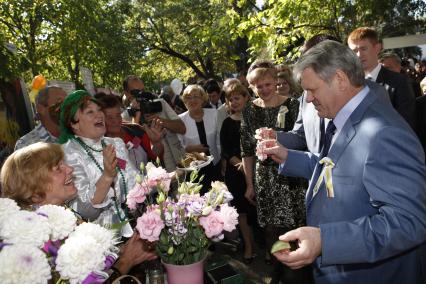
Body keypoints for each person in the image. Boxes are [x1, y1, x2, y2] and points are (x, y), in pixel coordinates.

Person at [262, 40, 426, 284]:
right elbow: (339, 168)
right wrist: (289, 157)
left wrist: (326, 241)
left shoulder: (383, 133)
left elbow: (409, 222)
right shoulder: (349, 114)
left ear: (339, 79)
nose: (307, 99)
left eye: (312, 89)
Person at [1, 142, 157, 281]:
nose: (69, 169)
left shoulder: (66, 215)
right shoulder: (38, 241)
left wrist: (126, 250)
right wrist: (126, 261)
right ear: (34, 192)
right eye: (57, 168)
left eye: (64, 164)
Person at [240, 60, 310, 283]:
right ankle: (278, 266)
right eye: (258, 86)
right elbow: (247, 150)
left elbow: (301, 142)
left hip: (290, 174)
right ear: (252, 87)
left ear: (276, 82)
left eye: (268, 84)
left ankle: (299, 268)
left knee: (295, 223)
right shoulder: (249, 109)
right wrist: (249, 183)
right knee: (269, 226)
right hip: (265, 178)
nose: (264, 89)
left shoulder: (292, 105)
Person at [58, 90, 138, 238]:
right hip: (99, 239)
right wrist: (107, 177)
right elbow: (84, 210)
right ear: (74, 124)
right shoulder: (67, 153)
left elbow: (136, 182)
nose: (99, 115)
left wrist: (168, 178)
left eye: (99, 110)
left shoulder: (116, 144)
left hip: (134, 225)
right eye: (90, 112)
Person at [347, 27, 416, 130]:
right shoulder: (349, 83)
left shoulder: (399, 82)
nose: (359, 55)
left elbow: (406, 124)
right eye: (354, 51)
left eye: (363, 49)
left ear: (377, 48)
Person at [220, 79, 255, 263]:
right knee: (241, 211)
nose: (234, 102)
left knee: (257, 211)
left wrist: (249, 165)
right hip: (236, 173)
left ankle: (267, 249)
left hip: (257, 170)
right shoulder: (226, 123)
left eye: (237, 98)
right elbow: (225, 149)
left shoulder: (255, 119)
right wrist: (240, 165)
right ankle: (248, 247)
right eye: (230, 99)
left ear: (246, 98)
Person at [122, 75, 186, 172]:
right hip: (154, 174)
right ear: (127, 94)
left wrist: (161, 121)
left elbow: (182, 128)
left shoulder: (160, 104)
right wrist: (136, 122)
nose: (142, 95)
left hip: (179, 163)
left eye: (143, 90)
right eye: (137, 92)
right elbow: (131, 149)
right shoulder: (126, 117)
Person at [95, 93, 164, 169]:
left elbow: (155, 156)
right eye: (109, 117)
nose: (116, 120)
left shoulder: (136, 131)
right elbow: (125, 169)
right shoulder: (99, 146)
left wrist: (156, 142)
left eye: (118, 115)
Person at [178, 84, 220, 192]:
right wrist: (190, 148)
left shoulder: (214, 114)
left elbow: (220, 139)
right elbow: (178, 146)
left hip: (216, 165)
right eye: (188, 97)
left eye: (196, 96)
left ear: (203, 99)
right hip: (194, 169)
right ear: (184, 101)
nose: (192, 100)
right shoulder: (180, 120)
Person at [15, 86, 67, 150]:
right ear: (41, 109)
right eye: (59, 100)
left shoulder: (77, 135)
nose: (66, 105)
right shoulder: (26, 145)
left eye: (67, 100)